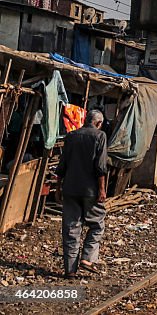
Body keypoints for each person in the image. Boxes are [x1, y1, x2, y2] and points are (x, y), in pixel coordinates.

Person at [55, 109, 108, 278]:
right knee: (97, 224)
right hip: (90, 190)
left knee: (71, 228)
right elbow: (100, 167)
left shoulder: (71, 136)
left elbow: (61, 166)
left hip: (70, 188)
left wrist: (58, 188)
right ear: (98, 123)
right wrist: (102, 189)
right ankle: (87, 258)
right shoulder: (100, 136)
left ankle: (70, 270)